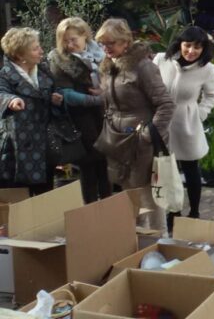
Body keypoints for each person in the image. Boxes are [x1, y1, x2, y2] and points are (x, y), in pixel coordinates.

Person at [95, 19, 176, 231]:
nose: (106, 48)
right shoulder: (108, 66)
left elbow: (166, 104)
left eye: (110, 43)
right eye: (102, 44)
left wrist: (148, 134)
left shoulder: (144, 67)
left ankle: (158, 244)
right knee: (127, 195)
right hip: (117, 139)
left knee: (149, 197)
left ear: (125, 41)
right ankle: (133, 242)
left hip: (141, 142)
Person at [154, 27, 214, 223]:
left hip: (187, 122)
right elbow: (149, 85)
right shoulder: (161, 60)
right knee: (167, 170)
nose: (191, 51)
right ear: (180, 44)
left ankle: (194, 212)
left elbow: (212, 94)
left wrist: (199, 113)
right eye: (187, 45)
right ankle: (173, 212)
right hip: (163, 122)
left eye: (197, 47)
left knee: (191, 167)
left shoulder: (206, 69)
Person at [48, 18, 110, 203]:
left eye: (73, 39)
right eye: (65, 40)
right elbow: (66, 93)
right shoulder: (58, 59)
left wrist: (106, 93)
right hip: (81, 115)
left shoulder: (100, 53)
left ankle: (109, 204)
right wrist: (95, 99)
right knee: (89, 162)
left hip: (105, 113)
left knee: (105, 160)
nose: (69, 44)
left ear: (84, 35)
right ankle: (90, 206)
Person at [0, 27, 63, 194]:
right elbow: (1, 92)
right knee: (19, 196)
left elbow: (55, 89)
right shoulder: (5, 74)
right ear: (21, 56)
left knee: (46, 191)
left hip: (44, 142)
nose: (41, 51)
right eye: (35, 48)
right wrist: (11, 100)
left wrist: (55, 97)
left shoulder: (43, 69)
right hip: (18, 145)